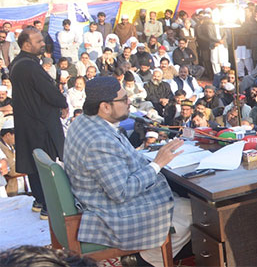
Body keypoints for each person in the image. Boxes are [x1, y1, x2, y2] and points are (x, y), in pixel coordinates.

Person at [62, 77, 192, 266]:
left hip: (96, 199)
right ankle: (145, 260)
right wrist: (157, 164)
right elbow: (121, 192)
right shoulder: (99, 140)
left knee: (182, 197)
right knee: (192, 211)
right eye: (123, 100)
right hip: (112, 214)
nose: (129, 102)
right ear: (105, 107)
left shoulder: (84, 121)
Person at [10, 26, 68, 218]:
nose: (43, 44)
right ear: (26, 44)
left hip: (28, 123)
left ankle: (39, 200)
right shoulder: (30, 66)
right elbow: (50, 92)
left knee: (34, 163)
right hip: (41, 124)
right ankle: (48, 206)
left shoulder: (18, 63)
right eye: (38, 41)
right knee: (46, 165)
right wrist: (62, 102)